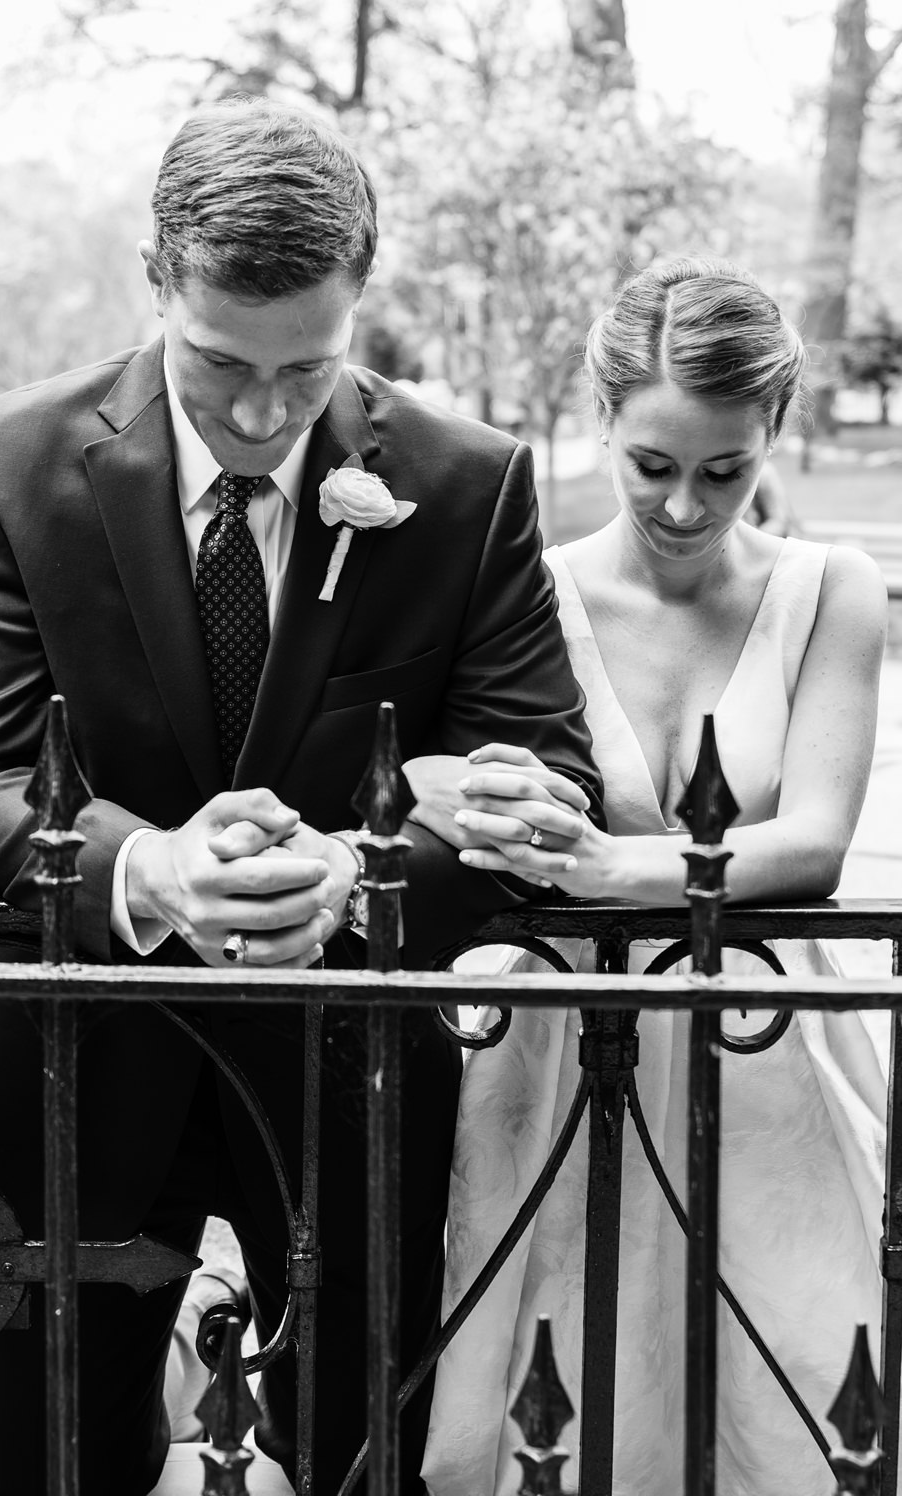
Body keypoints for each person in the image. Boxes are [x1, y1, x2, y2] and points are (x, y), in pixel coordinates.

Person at [0, 98, 602, 1496]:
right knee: (63, 1459)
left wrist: (362, 879)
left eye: (309, 372)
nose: (259, 412)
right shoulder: (9, 460)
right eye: (219, 363)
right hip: (77, 1062)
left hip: (344, 1071)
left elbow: (548, 777)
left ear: (363, 296)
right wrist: (152, 873)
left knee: (355, 1453)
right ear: (153, 279)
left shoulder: (467, 484)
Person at [420, 260, 889, 1495]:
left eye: (721, 469)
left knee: (790, 1367)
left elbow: (815, 840)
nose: (684, 504)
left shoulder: (829, 588)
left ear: (769, 434)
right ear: (602, 425)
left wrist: (604, 861)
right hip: (569, 1041)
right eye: (652, 465)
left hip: (765, 1035)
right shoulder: (529, 584)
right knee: (564, 1375)